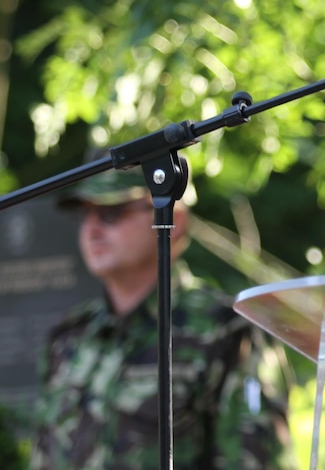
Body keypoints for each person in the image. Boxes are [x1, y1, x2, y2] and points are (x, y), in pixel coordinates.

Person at [30, 168, 294, 469]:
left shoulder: (227, 329)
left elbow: (255, 460)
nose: (92, 230)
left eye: (111, 213)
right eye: (85, 215)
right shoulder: (69, 338)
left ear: (175, 222)